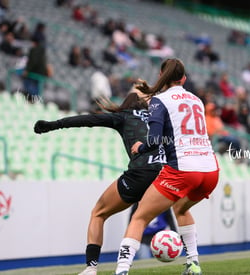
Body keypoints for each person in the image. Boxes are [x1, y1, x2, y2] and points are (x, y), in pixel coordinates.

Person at [33, 91, 165, 275]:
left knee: (98, 213)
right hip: (165, 174)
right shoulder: (157, 118)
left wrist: (55, 125)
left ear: (126, 105)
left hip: (140, 173)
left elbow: (88, 120)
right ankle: (192, 259)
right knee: (157, 215)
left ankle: (92, 268)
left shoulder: (123, 116)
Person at [114, 58, 219, 275]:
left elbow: (153, 140)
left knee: (139, 217)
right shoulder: (197, 100)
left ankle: (121, 271)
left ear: (162, 74)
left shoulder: (159, 101)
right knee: (181, 208)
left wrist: (140, 147)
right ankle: (193, 264)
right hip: (210, 170)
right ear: (184, 78)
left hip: (183, 169)